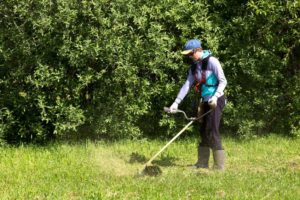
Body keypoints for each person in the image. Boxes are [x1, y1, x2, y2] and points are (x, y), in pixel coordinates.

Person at [169, 39, 227, 170]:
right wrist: (176, 102)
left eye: (190, 54)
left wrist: (216, 96)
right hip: (205, 100)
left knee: (212, 130)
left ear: (197, 50)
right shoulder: (194, 66)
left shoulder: (212, 61)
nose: (189, 57)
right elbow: (187, 85)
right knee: (203, 131)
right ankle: (202, 164)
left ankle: (219, 166)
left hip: (216, 100)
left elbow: (223, 81)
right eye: (187, 55)